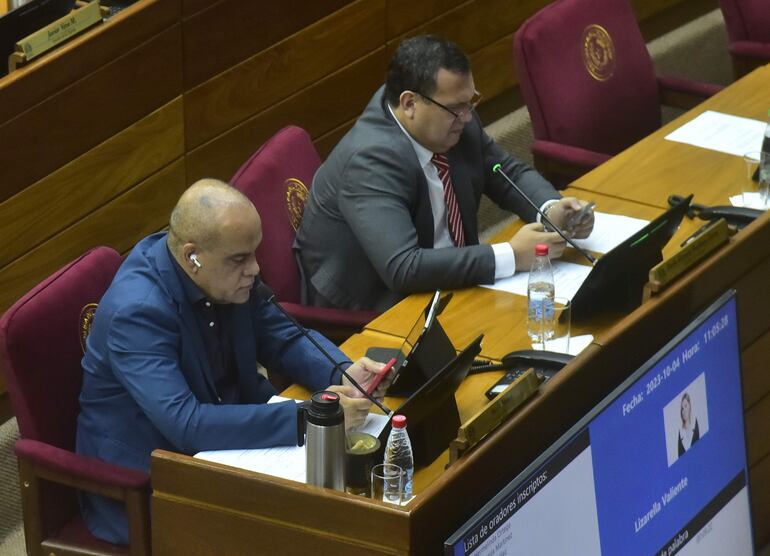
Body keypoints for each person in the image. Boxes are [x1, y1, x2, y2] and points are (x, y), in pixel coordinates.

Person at [76, 179, 386, 544]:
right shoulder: (139, 312)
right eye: (240, 259)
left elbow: (284, 337)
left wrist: (342, 371)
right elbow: (186, 423)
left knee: (347, 496)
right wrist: (310, 418)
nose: (255, 269)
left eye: (255, 252)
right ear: (193, 257)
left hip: (232, 440)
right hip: (149, 479)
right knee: (309, 529)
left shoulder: (224, 268)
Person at [295, 35, 594, 312]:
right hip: (375, 308)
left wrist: (550, 210)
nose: (467, 116)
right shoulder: (369, 161)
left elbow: (506, 173)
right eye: (456, 108)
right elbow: (403, 266)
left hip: (450, 279)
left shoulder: (450, 119)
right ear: (410, 103)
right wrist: (511, 256)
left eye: (470, 101)